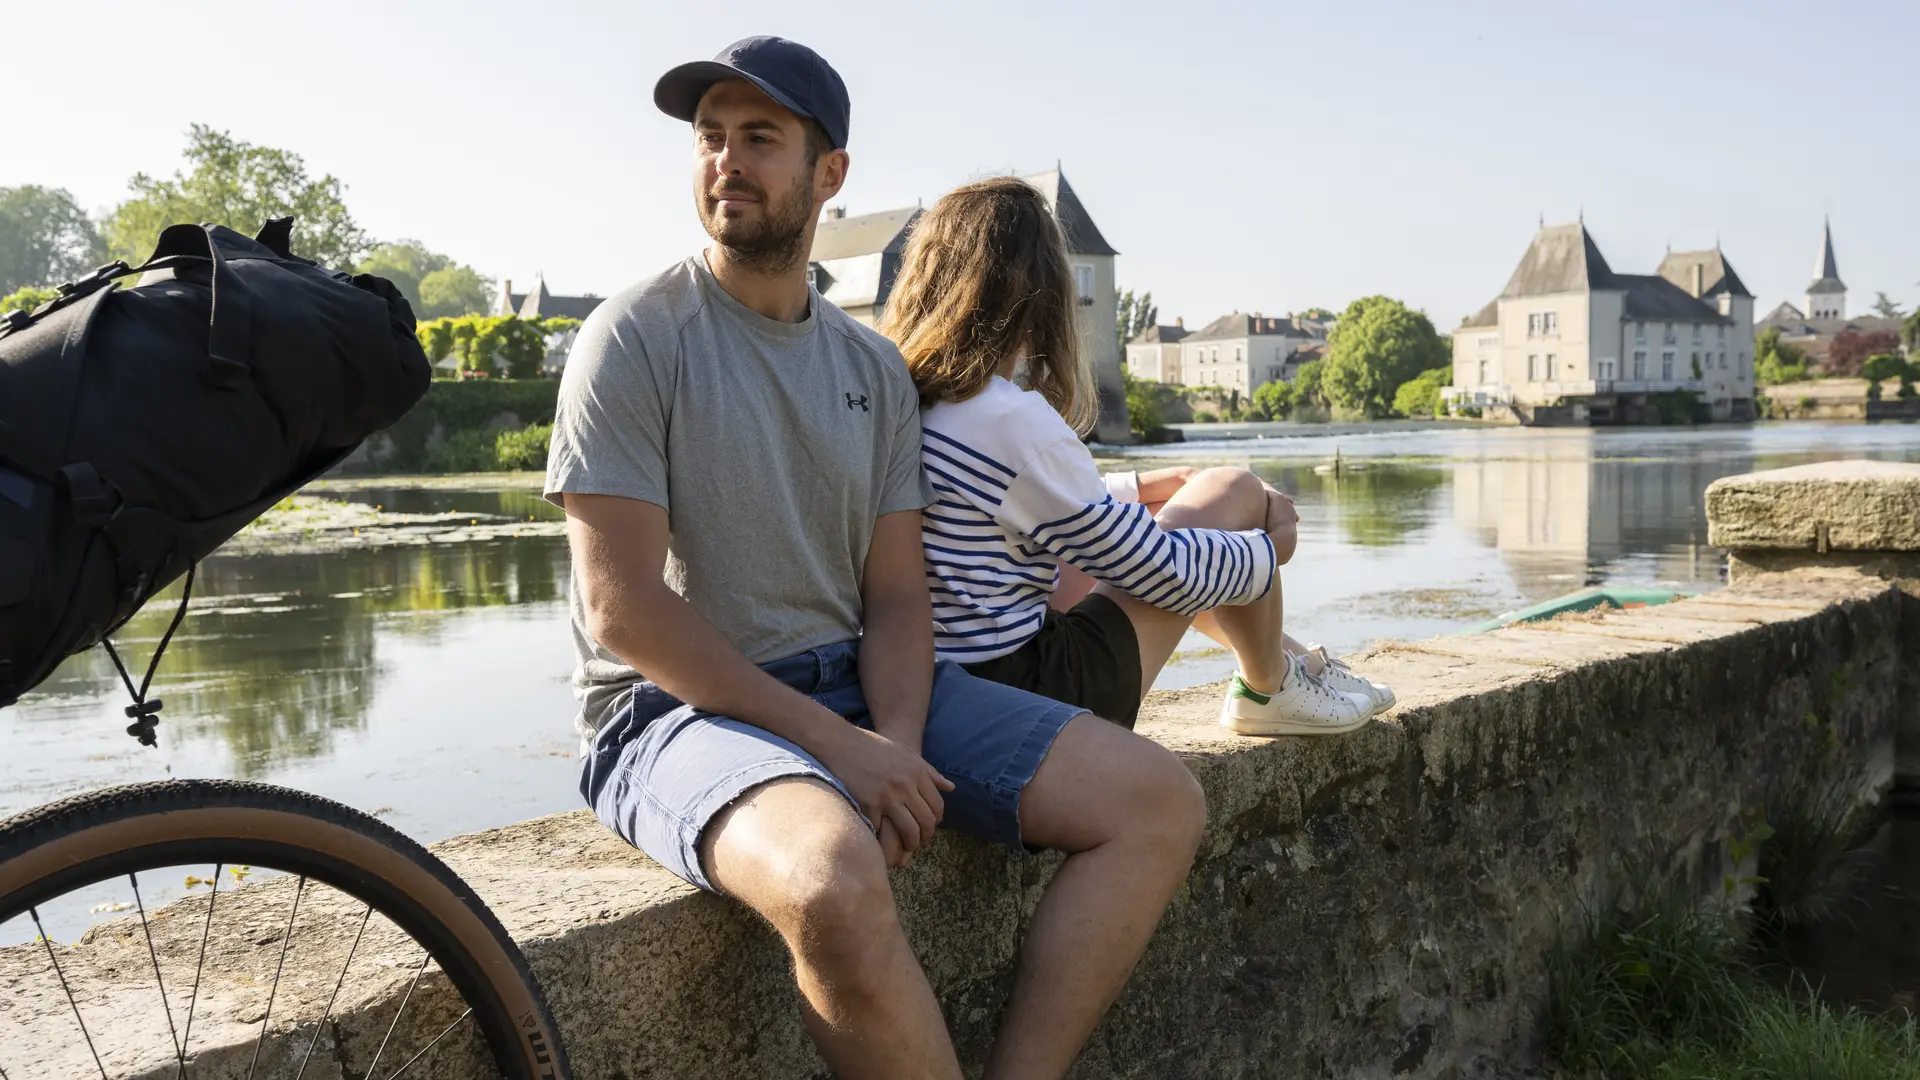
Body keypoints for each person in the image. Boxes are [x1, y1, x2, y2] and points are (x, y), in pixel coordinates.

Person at [546, 36, 1207, 1080]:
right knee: (830, 880)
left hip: (857, 683)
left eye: (759, 139)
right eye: (710, 138)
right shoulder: (634, 336)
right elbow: (622, 609)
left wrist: (894, 740)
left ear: (830, 174)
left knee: (1157, 801)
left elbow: (898, 595)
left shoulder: (871, 370)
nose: (726, 161)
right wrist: (842, 749)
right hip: (670, 715)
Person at [879, 177, 1394, 733]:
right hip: (1026, 698)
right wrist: (1268, 551)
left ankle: (1294, 666)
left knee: (1165, 529)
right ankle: (1271, 687)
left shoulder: (903, 395)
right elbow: (1155, 570)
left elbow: (1009, 503)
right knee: (1235, 491)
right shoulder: (1006, 416)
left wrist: (1138, 487)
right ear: (1045, 292)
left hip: (925, 683)